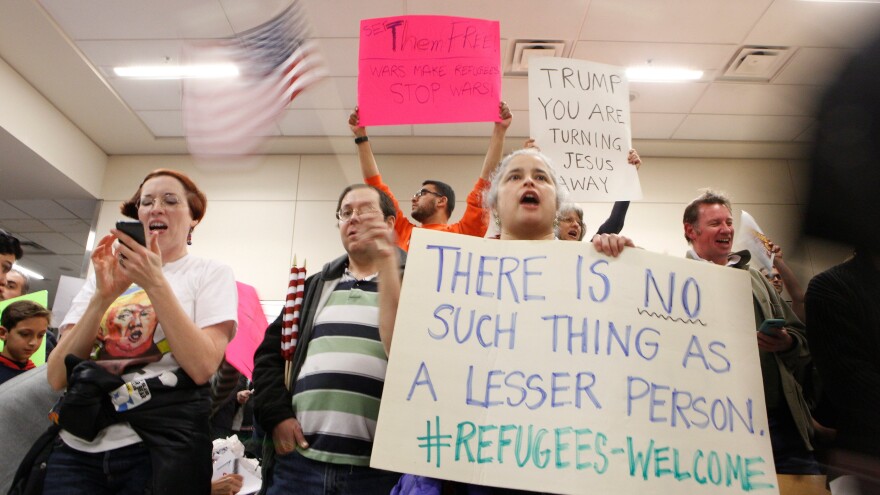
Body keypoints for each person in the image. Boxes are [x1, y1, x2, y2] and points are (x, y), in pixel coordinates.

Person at [392, 148, 633, 495]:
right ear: (493, 202)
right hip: (458, 467)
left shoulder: (593, 272)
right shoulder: (453, 270)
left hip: (560, 467)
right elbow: (402, 353)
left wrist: (626, 273)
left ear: (557, 204)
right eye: (514, 176)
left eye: (541, 176)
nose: (529, 181)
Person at [42, 169, 239, 494]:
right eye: (146, 202)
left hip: (156, 450)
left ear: (193, 219)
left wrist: (155, 281)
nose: (155, 208)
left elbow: (202, 367)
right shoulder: (104, 277)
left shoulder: (209, 273)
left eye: (170, 200)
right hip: (78, 447)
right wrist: (103, 296)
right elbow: (57, 376)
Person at [253, 184, 404, 495]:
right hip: (300, 464)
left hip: (380, 473)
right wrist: (277, 415)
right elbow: (268, 357)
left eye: (365, 211)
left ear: (390, 224)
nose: (353, 218)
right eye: (346, 213)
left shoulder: (415, 284)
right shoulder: (311, 288)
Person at [682, 190, 817, 474]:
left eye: (729, 222)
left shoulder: (756, 278)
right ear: (690, 231)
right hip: (713, 426)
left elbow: (802, 342)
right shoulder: (676, 279)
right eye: (715, 223)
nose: (727, 229)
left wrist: (786, 342)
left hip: (779, 423)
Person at [349, 102, 512, 250]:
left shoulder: (463, 234)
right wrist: (360, 136)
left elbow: (486, 185)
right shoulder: (404, 232)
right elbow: (376, 186)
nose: (414, 198)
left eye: (422, 193)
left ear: (442, 200)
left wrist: (500, 130)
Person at [555, 149, 642, 241]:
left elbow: (615, 222)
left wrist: (630, 176)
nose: (576, 225)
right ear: (554, 224)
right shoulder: (539, 244)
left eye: (579, 223)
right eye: (568, 220)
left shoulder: (589, 251)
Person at [0, 300, 50, 386]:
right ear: (3, 333)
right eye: (25, 334)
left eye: (41, 335)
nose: (34, 342)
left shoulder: (37, 374)